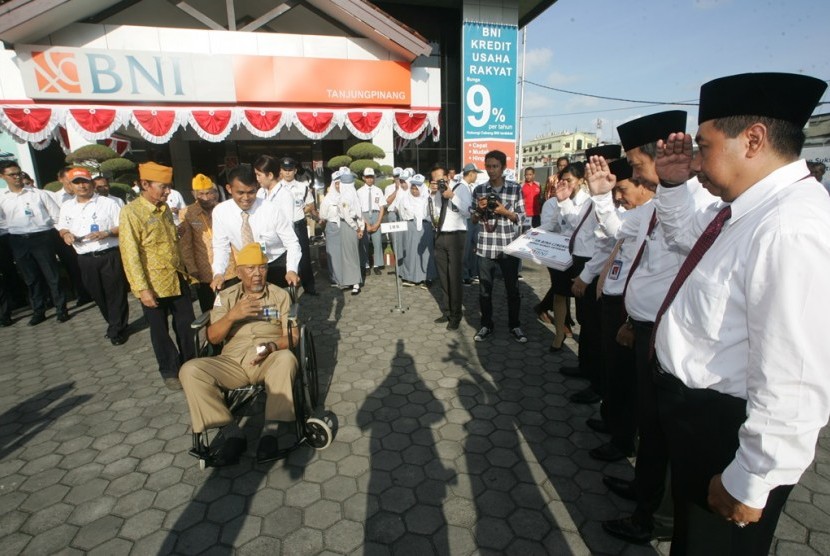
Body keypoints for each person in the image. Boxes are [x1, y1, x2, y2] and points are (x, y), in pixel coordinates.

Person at [650, 73, 830, 554]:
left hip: (729, 434)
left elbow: (795, 376)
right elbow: (685, 237)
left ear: (753, 139)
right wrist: (671, 186)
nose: (696, 163)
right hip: (702, 422)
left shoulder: (791, 226)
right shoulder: (747, 211)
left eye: (705, 147)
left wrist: (752, 478)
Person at [589, 110, 697, 544]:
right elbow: (618, 229)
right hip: (645, 328)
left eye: (634, 165)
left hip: (670, 337)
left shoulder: (694, 206)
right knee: (651, 428)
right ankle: (643, 494)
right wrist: (600, 197)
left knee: (663, 431)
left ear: (660, 157)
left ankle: (657, 519)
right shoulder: (654, 207)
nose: (629, 173)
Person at [180, 242, 299, 465]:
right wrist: (232, 316)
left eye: (262, 268)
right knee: (190, 370)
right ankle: (232, 433)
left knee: (286, 358)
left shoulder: (280, 296)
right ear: (238, 272)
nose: (257, 274)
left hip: (268, 357)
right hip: (231, 361)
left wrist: (272, 347)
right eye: (250, 268)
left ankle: (270, 432)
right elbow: (213, 338)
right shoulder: (225, 297)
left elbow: (292, 337)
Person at [120, 161, 196, 390]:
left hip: (177, 277)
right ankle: (170, 370)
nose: (167, 191)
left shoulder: (163, 209)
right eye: (162, 187)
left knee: (186, 325)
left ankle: (191, 365)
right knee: (160, 331)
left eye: (168, 186)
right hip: (153, 284)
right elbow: (130, 253)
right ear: (145, 184)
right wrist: (142, 289)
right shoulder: (131, 212)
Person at [57, 167, 129, 345]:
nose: (81, 186)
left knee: (115, 293)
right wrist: (66, 234)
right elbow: (62, 227)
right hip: (84, 257)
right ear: (71, 186)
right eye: (77, 183)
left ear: (91, 183)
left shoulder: (108, 203)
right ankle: (114, 323)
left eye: (84, 182)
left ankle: (117, 329)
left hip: (108, 254)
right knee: (97, 294)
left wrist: (106, 233)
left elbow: (124, 227)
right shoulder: (67, 206)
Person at [0, 159, 70, 325]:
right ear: (3, 176)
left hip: (41, 237)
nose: (16, 177)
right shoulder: (3, 198)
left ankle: (62, 309)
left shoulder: (38, 194)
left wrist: (62, 232)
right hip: (18, 239)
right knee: (31, 278)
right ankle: (39, 310)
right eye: (12, 175)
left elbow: (56, 215)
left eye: (18, 173)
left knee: (52, 275)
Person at [212, 165, 301, 290]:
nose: (246, 198)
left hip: (275, 263)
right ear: (229, 189)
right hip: (247, 267)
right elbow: (221, 246)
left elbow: (292, 242)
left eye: (251, 192)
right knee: (252, 307)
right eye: (240, 193)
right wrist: (218, 273)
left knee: (278, 306)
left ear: (257, 188)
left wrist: (291, 270)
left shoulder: (271, 209)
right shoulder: (220, 212)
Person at [471, 150, 526, 343]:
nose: (491, 170)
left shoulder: (515, 189)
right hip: (485, 247)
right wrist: (479, 209)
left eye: (495, 166)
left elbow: (522, 217)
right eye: (488, 166)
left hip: (508, 247)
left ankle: (515, 325)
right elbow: (473, 219)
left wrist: (504, 211)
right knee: (484, 291)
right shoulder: (479, 190)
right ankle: (486, 325)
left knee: (513, 290)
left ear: (503, 168)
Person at [180, 174, 235, 313]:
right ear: (194, 194)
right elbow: (186, 245)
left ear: (215, 193)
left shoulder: (224, 209)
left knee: (233, 306)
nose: (206, 198)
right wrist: (192, 270)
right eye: (201, 194)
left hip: (231, 269)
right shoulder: (187, 213)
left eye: (209, 193)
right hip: (205, 272)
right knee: (211, 310)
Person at [429, 162, 471, 330]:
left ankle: (456, 315)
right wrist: (432, 196)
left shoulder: (460, 188)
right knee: (443, 276)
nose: (438, 182)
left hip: (456, 236)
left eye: (440, 178)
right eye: (434, 179)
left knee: (454, 277)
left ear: (447, 177)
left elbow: (468, 211)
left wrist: (451, 196)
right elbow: (432, 215)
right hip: (439, 235)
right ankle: (447, 311)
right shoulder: (435, 192)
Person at [319, 170, 364, 294]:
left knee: (351, 255)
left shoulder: (347, 195)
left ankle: (355, 282)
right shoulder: (348, 194)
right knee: (347, 255)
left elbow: (351, 215)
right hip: (346, 225)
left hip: (348, 226)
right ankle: (350, 280)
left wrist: (359, 228)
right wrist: (358, 227)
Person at [53, 167, 92, 306]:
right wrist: (65, 233)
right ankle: (82, 293)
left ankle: (93, 291)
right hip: (68, 238)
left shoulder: (90, 195)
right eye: (70, 181)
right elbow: (57, 220)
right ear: (62, 180)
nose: (75, 184)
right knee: (73, 267)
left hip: (89, 238)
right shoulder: (55, 197)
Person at [395, 173, 436, 288]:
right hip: (410, 227)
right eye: (412, 188)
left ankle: (427, 277)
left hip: (425, 227)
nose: (414, 191)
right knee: (410, 251)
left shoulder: (428, 199)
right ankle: (410, 276)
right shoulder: (405, 199)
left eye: (416, 189)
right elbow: (401, 213)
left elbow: (432, 214)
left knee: (426, 253)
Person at [357, 167, 387, 276]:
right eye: (367, 177)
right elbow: (358, 209)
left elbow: (382, 207)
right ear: (363, 178)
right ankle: (365, 265)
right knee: (364, 243)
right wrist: (366, 224)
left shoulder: (378, 190)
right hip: (364, 216)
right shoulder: (359, 192)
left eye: (371, 177)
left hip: (376, 215)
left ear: (374, 178)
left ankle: (377, 265)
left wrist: (378, 222)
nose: (369, 179)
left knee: (377, 242)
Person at [459, 163, 484, 285]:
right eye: (476, 174)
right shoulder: (461, 187)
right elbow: (463, 207)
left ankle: (472, 272)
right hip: (466, 221)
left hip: (473, 220)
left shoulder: (469, 187)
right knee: (466, 249)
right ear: (471, 173)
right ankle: (464, 275)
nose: (477, 177)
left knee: (474, 248)